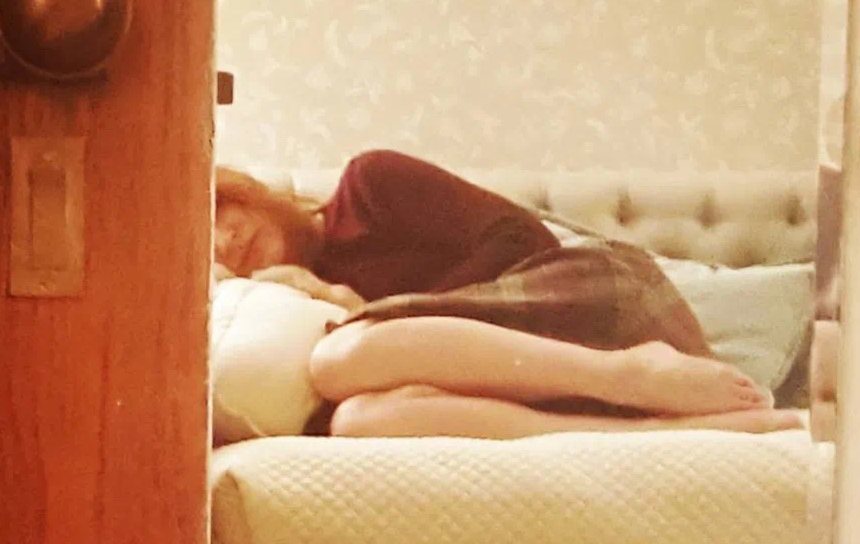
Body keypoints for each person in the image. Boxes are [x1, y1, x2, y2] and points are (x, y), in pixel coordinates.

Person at [214, 150, 802, 439]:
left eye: (217, 212)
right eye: (203, 249)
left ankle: (631, 374)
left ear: (246, 194)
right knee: (358, 422)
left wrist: (389, 318)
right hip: (536, 389)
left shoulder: (368, 187)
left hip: (590, 302)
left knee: (340, 358)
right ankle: (654, 435)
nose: (224, 240)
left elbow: (521, 238)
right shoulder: (286, 311)